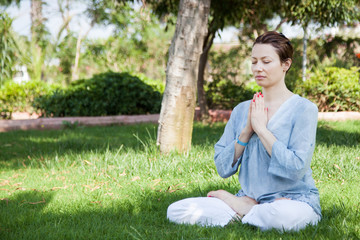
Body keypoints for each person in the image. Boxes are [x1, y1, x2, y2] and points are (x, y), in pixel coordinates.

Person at [166, 31, 321, 231]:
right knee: (178, 209)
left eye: (266, 61)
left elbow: (296, 168)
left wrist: (261, 129)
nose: (258, 68)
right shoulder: (242, 110)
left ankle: (244, 211)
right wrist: (246, 131)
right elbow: (223, 167)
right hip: (248, 198)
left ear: (286, 64)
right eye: (254, 61)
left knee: (282, 216)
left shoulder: (304, 109)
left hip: (293, 201)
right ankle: (249, 210)